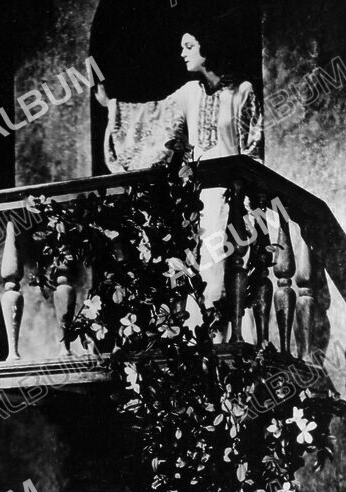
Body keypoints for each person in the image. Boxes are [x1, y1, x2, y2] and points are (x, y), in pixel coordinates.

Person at [97, 25, 263, 316]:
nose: (182, 53)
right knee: (198, 270)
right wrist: (114, 108)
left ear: (207, 46)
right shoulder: (189, 93)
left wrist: (250, 196)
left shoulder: (242, 91)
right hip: (198, 198)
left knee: (230, 268)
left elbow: (253, 148)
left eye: (189, 46)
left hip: (234, 195)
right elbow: (153, 118)